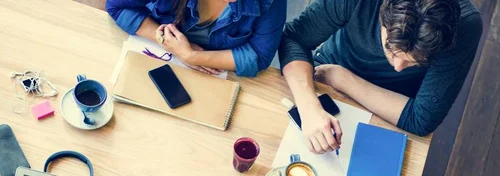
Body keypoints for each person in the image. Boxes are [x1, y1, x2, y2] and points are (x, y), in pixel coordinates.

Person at [279, 0, 482, 153]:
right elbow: (294, 38)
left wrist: (342, 79)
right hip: (323, 75)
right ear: (382, 12)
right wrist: (309, 108)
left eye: (415, 62)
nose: (398, 67)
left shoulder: (465, 25)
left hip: (391, 106)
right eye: (391, 50)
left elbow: (421, 119)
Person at [106, 0, 286, 77]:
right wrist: (166, 41)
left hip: (218, 80)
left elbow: (260, 54)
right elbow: (117, 6)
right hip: (155, 62)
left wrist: (191, 56)